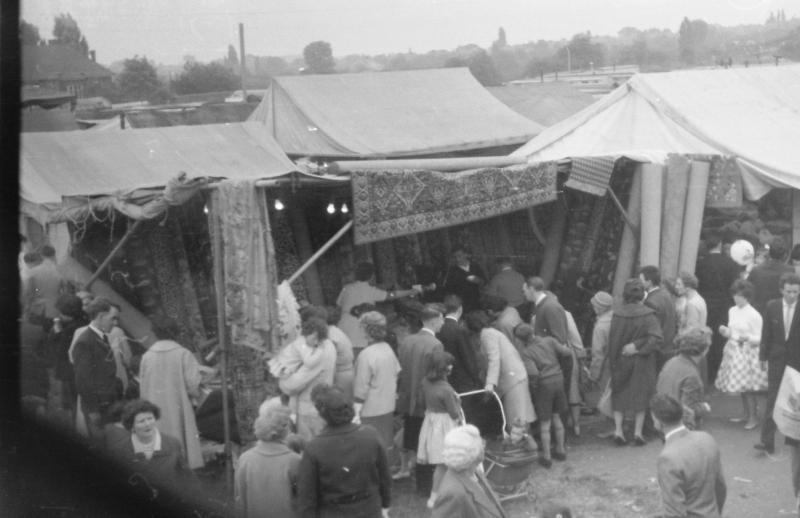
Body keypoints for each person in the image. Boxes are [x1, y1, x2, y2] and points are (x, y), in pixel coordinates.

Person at [297, 384, 391, 518]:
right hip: (369, 510)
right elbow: (385, 477)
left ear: (321, 414)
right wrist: (385, 505)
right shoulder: (371, 435)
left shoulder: (314, 448)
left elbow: (307, 497)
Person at [139, 315, 205, 469]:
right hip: (179, 408)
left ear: (154, 332)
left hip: (154, 411)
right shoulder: (183, 354)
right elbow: (193, 387)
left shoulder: (147, 356)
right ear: (176, 332)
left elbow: (143, 388)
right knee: (182, 442)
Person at [651, 393, 726, 518]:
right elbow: (720, 487)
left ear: (657, 421)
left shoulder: (668, 458)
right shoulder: (707, 439)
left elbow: (674, 512)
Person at [110, 399, 194, 509]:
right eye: (141, 421)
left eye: (150, 418)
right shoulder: (120, 450)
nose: (147, 424)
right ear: (132, 426)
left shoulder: (172, 444)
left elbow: (188, 477)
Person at [608, 278, 663, 446]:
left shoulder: (617, 314)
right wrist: (640, 349)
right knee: (641, 395)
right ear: (641, 295)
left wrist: (614, 360)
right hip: (642, 361)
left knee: (619, 394)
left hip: (621, 358)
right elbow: (656, 339)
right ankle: (638, 433)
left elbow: (613, 340)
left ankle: (618, 431)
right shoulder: (648, 314)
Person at [465, 310, 536, 435]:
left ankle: (521, 449)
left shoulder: (487, 335)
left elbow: (494, 358)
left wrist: (490, 383)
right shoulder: (487, 334)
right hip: (512, 378)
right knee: (517, 416)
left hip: (513, 379)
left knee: (518, 418)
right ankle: (521, 447)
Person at [396, 303, 445, 481]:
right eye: (441, 319)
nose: (443, 323)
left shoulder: (408, 340)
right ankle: (424, 476)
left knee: (412, 435)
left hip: (408, 396)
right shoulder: (436, 344)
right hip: (425, 399)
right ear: (433, 320)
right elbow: (438, 374)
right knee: (426, 439)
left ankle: (410, 469)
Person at [514, 323, 570, 468]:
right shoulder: (550, 341)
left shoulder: (527, 352)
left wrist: (533, 385)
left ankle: (546, 456)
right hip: (558, 379)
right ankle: (561, 450)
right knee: (557, 416)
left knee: (545, 422)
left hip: (544, 386)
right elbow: (566, 352)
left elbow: (533, 373)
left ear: (520, 340)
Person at [757, 273, 800, 454]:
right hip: (776, 359)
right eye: (789, 291)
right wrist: (762, 357)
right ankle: (767, 441)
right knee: (772, 398)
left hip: (797, 361)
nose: (792, 295)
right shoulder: (772, 306)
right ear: (782, 289)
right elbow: (765, 333)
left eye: (796, 292)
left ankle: (794, 438)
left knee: (796, 400)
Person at [715, 279, 766, 430]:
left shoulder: (754, 315)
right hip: (733, 351)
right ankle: (746, 414)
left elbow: (761, 338)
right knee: (741, 388)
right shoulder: (732, 310)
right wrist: (726, 331)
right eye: (735, 295)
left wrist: (748, 338)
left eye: (740, 295)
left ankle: (753, 417)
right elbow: (732, 332)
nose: (736, 298)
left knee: (748, 388)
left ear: (747, 296)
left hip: (748, 353)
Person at [235, 401, 301, 518]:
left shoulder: (245, 459)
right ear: (286, 431)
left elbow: (240, 497)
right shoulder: (294, 460)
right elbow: (304, 497)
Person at [336, 262, 419, 354]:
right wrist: (410, 291)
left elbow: (338, 307)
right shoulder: (371, 291)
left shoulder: (346, 288)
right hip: (359, 332)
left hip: (342, 330)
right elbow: (391, 295)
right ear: (371, 276)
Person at [72, 297, 124, 439]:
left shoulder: (100, 337)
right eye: (113, 319)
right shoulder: (85, 342)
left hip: (107, 404)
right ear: (101, 316)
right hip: (98, 408)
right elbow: (83, 381)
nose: (115, 323)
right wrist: (93, 410)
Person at [278, 317, 337, 441]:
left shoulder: (317, 353)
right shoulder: (329, 345)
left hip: (309, 409)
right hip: (323, 404)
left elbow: (293, 385)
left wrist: (282, 380)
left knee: (309, 448)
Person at [696, 231, 743, 387]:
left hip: (706, 305)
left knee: (706, 337)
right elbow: (736, 287)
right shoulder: (731, 264)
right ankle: (721, 372)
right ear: (720, 245)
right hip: (725, 306)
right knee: (723, 339)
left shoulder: (699, 264)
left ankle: (706, 372)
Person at [417, 350, 462, 509]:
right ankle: (436, 497)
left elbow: (423, 401)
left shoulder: (425, 382)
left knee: (441, 463)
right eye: (450, 365)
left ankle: (437, 495)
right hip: (445, 425)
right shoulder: (446, 389)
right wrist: (458, 402)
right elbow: (454, 413)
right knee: (445, 463)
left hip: (431, 420)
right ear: (445, 368)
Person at [431, 425, 507, 518]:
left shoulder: (474, 473)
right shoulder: (453, 493)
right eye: (481, 443)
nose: (484, 445)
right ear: (472, 454)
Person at [352, 311, 401, 452]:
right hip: (388, 404)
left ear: (365, 330)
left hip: (370, 408)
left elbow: (361, 388)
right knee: (386, 445)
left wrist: (356, 412)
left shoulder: (366, 355)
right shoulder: (388, 349)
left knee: (370, 447)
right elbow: (397, 372)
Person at [656, 327, 712, 429]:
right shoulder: (691, 375)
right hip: (681, 430)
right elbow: (688, 411)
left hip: (664, 424)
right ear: (705, 349)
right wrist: (704, 407)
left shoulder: (671, 362)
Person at [437, 294, 483, 394]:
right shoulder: (459, 330)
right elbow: (468, 357)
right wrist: (476, 378)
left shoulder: (438, 327)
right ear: (460, 309)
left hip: (443, 376)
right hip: (461, 379)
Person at [639, 265, 677, 371]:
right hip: (668, 347)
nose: (639, 282)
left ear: (649, 282)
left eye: (641, 280)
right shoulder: (666, 295)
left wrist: (642, 351)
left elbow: (651, 331)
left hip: (657, 352)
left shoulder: (651, 302)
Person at [749, 237, 794, 314]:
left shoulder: (756, 270)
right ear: (785, 255)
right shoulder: (790, 271)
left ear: (769, 253)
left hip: (759, 313)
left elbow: (746, 292)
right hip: (780, 313)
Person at [587, 292, 614, 408]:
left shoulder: (600, 327)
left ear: (599, 308)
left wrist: (593, 375)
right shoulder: (616, 317)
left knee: (603, 399)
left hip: (605, 368)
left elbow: (598, 355)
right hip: (618, 363)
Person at [442, 247, 486, 314]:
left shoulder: (475, 266)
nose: (457, 259)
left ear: (466, 255)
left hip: (478, 301)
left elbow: (485, 281)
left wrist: (479, 281)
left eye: (459, 256)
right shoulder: (452, 271)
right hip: (464, 304)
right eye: (454, 257)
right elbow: (449, 289)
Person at [325, 306, 356, 399]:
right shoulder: (335, 331)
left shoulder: (331, 335)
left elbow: (331, 361)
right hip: (346, 373)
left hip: (340, 375)